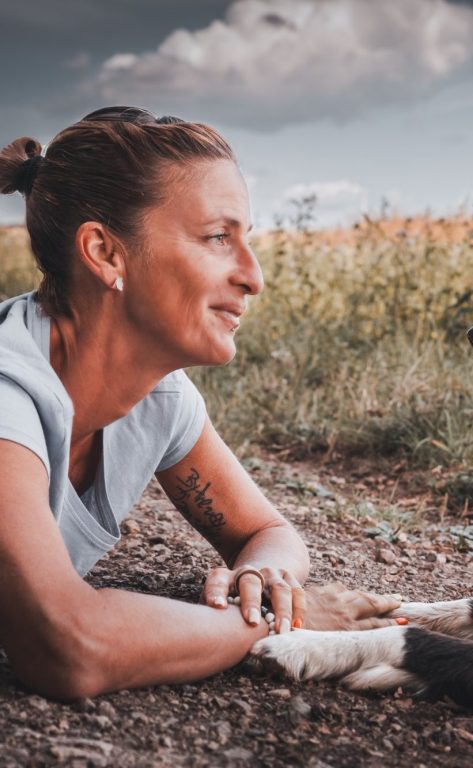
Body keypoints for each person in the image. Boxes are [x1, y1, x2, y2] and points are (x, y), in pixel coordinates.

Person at [0, 106, 401, 699]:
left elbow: (265, 529)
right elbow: (67, 645)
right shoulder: (9, 393)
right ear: (106, 253)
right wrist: (271, 622)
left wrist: (267, 579)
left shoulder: (157, 399)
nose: (253, 276)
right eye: (218, 238)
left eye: (246, 241)